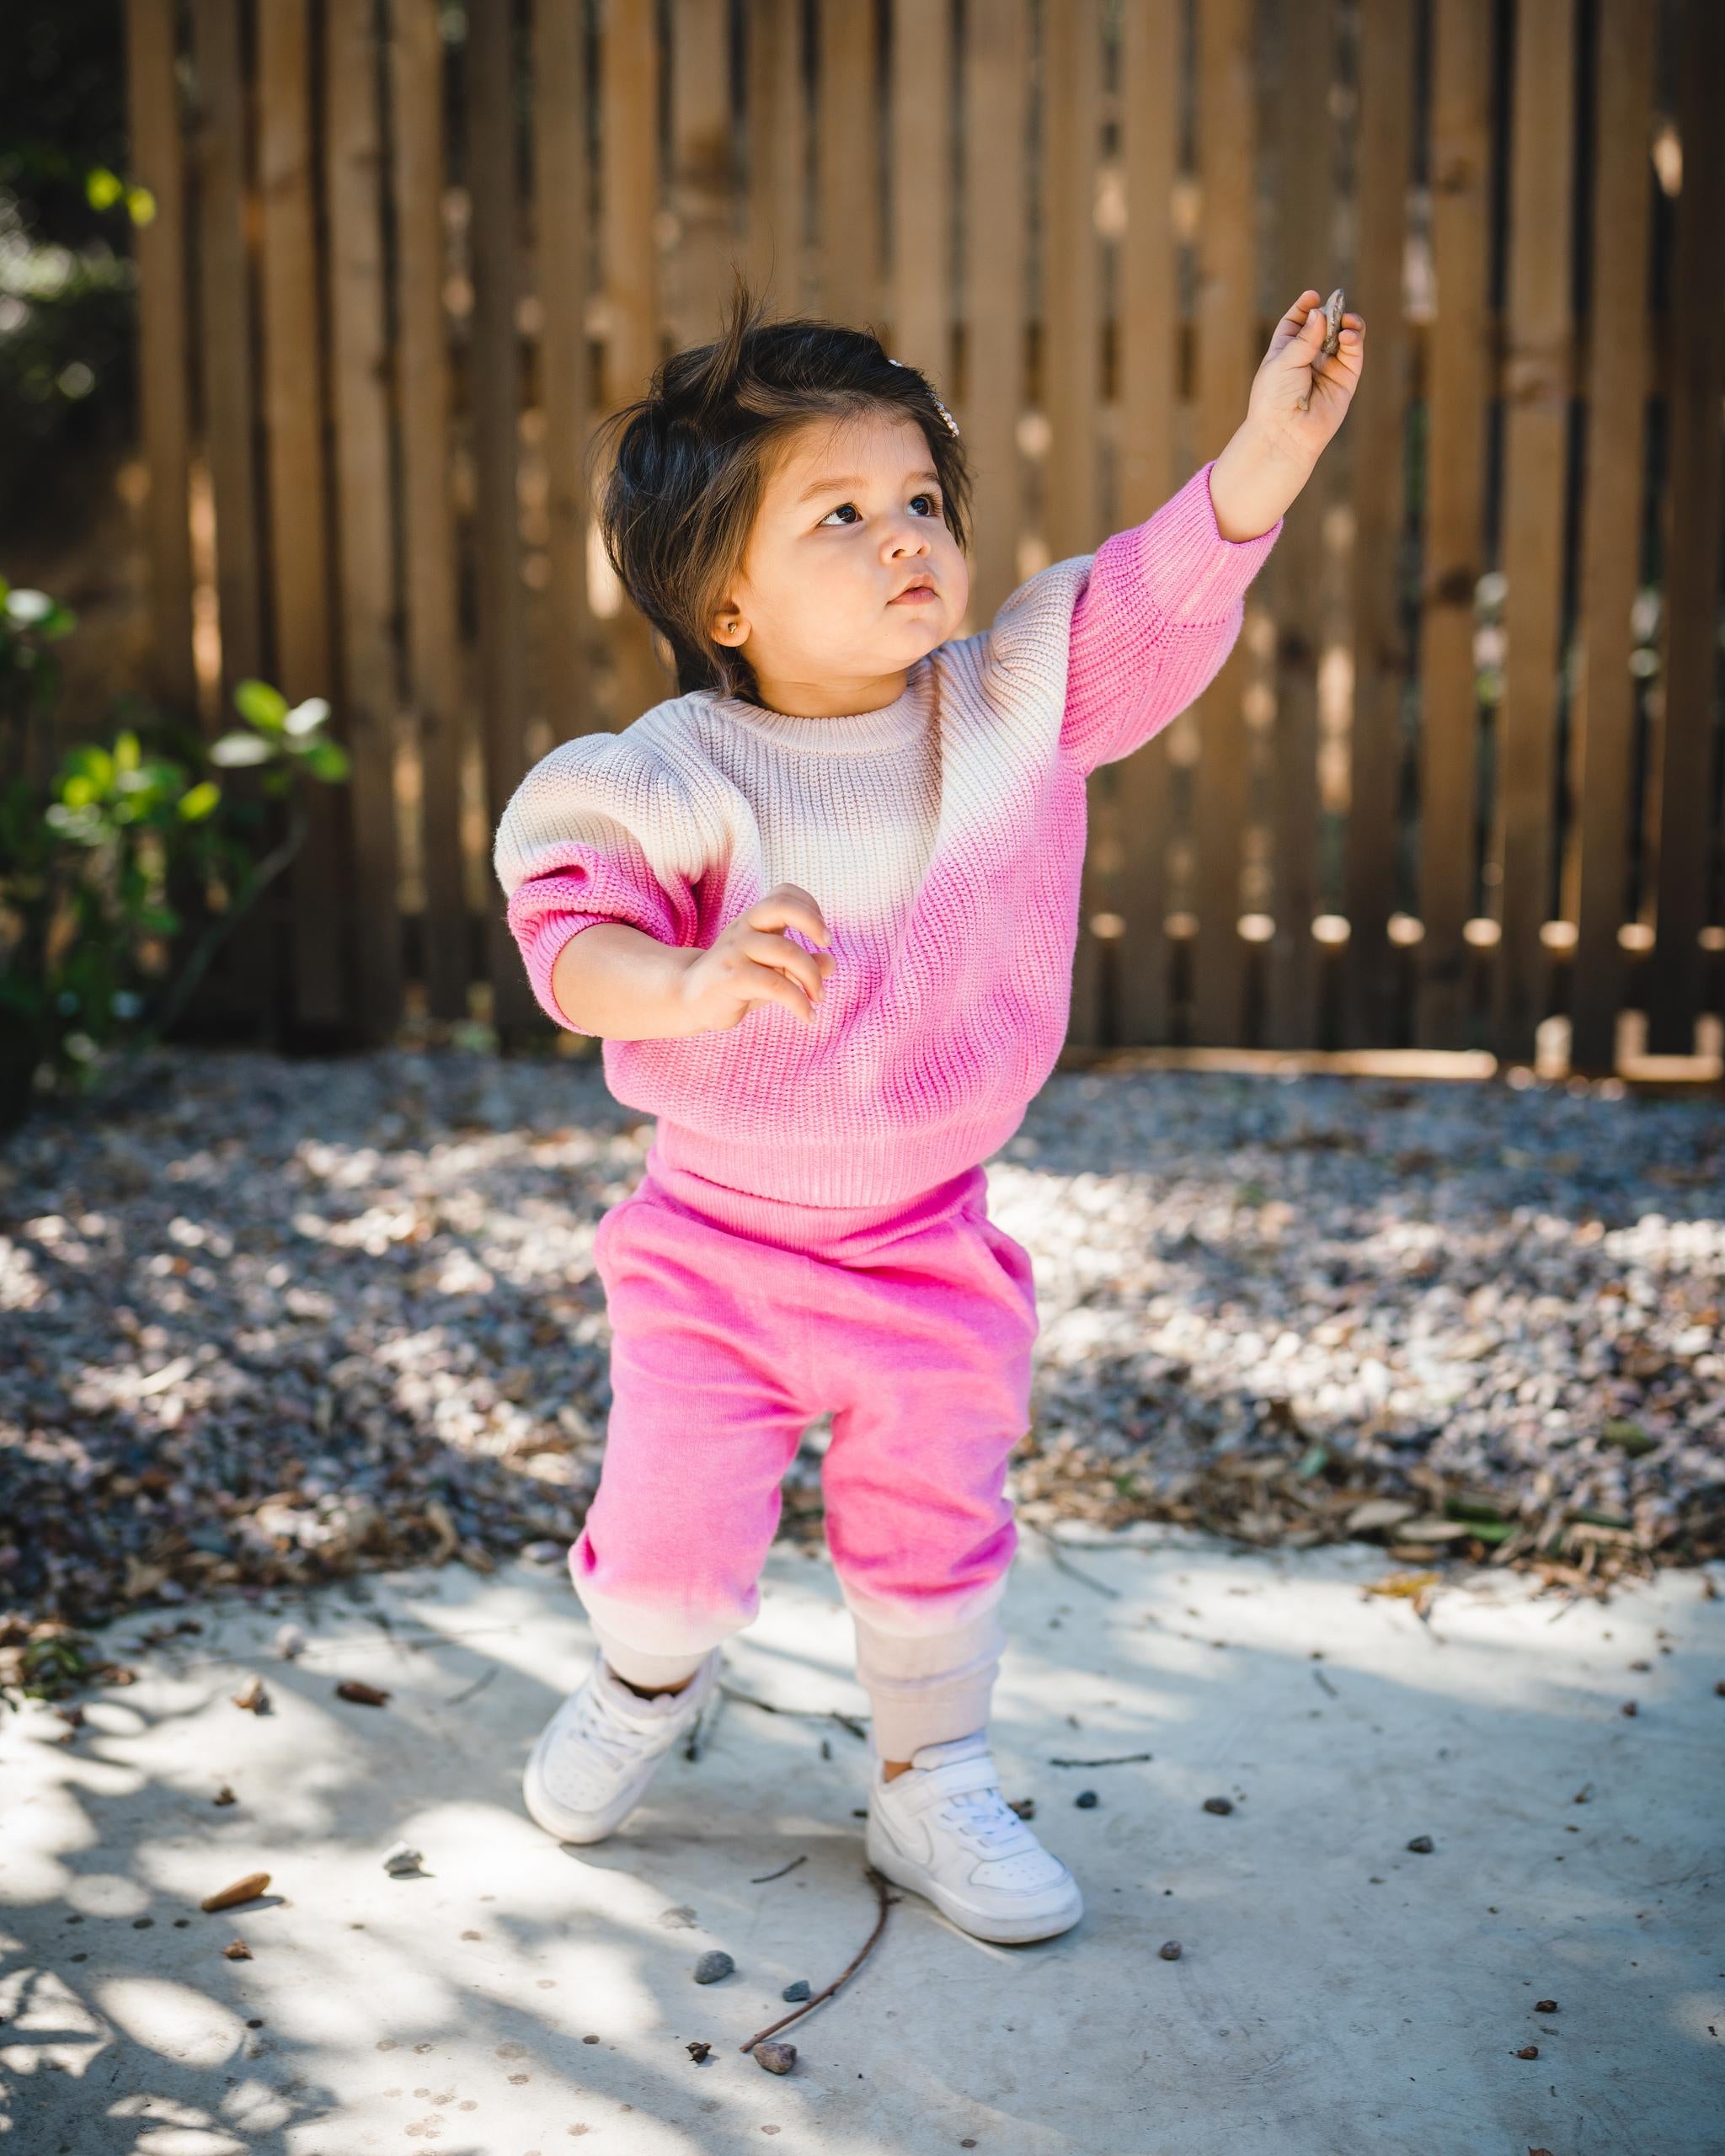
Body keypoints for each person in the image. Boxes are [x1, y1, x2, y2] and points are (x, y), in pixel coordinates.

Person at [492, 273, 1364, 1945]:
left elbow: (1142, 600)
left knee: (935, 1538)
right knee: (674, 1555)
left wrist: (1261, 454)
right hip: (711, 1251)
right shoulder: (671, 769)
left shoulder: (1005, 709)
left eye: (917, 500)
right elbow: (571, 933)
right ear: (721, 600)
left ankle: (928, 1778)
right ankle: (639, 1677)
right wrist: (681, 983)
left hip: (923, 1242)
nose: (906, 534)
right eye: (839, 512)